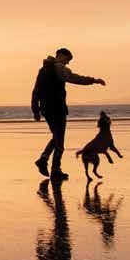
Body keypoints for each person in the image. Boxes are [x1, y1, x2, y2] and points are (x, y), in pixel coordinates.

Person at [31, 48, 105, 181]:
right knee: (59, 142)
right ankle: (54, 170)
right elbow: (74, 78)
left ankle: (44, 160)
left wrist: (36, 110)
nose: (67, 63)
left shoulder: (43, 70)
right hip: (57, 109)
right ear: (60, 55)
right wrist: (93, 80)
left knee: (56, 137)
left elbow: (36, 91)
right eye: (67, 60)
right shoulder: (58, 68)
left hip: (46, 109)